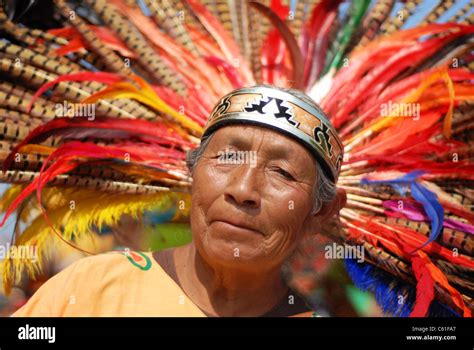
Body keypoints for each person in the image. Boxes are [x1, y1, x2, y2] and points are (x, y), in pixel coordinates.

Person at [13, 85, 346, 317]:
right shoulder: (93, 287)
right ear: (192, 171)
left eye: (282, 173)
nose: (243, 189)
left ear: (321, 212)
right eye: (228, 156)